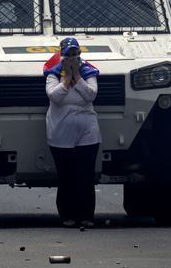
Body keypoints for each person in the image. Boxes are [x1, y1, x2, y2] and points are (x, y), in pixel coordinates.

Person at [44, 37, 100, 227]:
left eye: (75, 54)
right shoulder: (52, 73)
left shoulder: (88, 72)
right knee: (66, 175)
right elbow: (54, 97)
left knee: (85, 175)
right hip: (61, 130)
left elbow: (90, 95)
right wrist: (67, 79)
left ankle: (86, 215)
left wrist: (77, 77)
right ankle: (67, 214)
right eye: (68, 54)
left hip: (87, 129)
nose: (71, 58)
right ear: (61, 55)